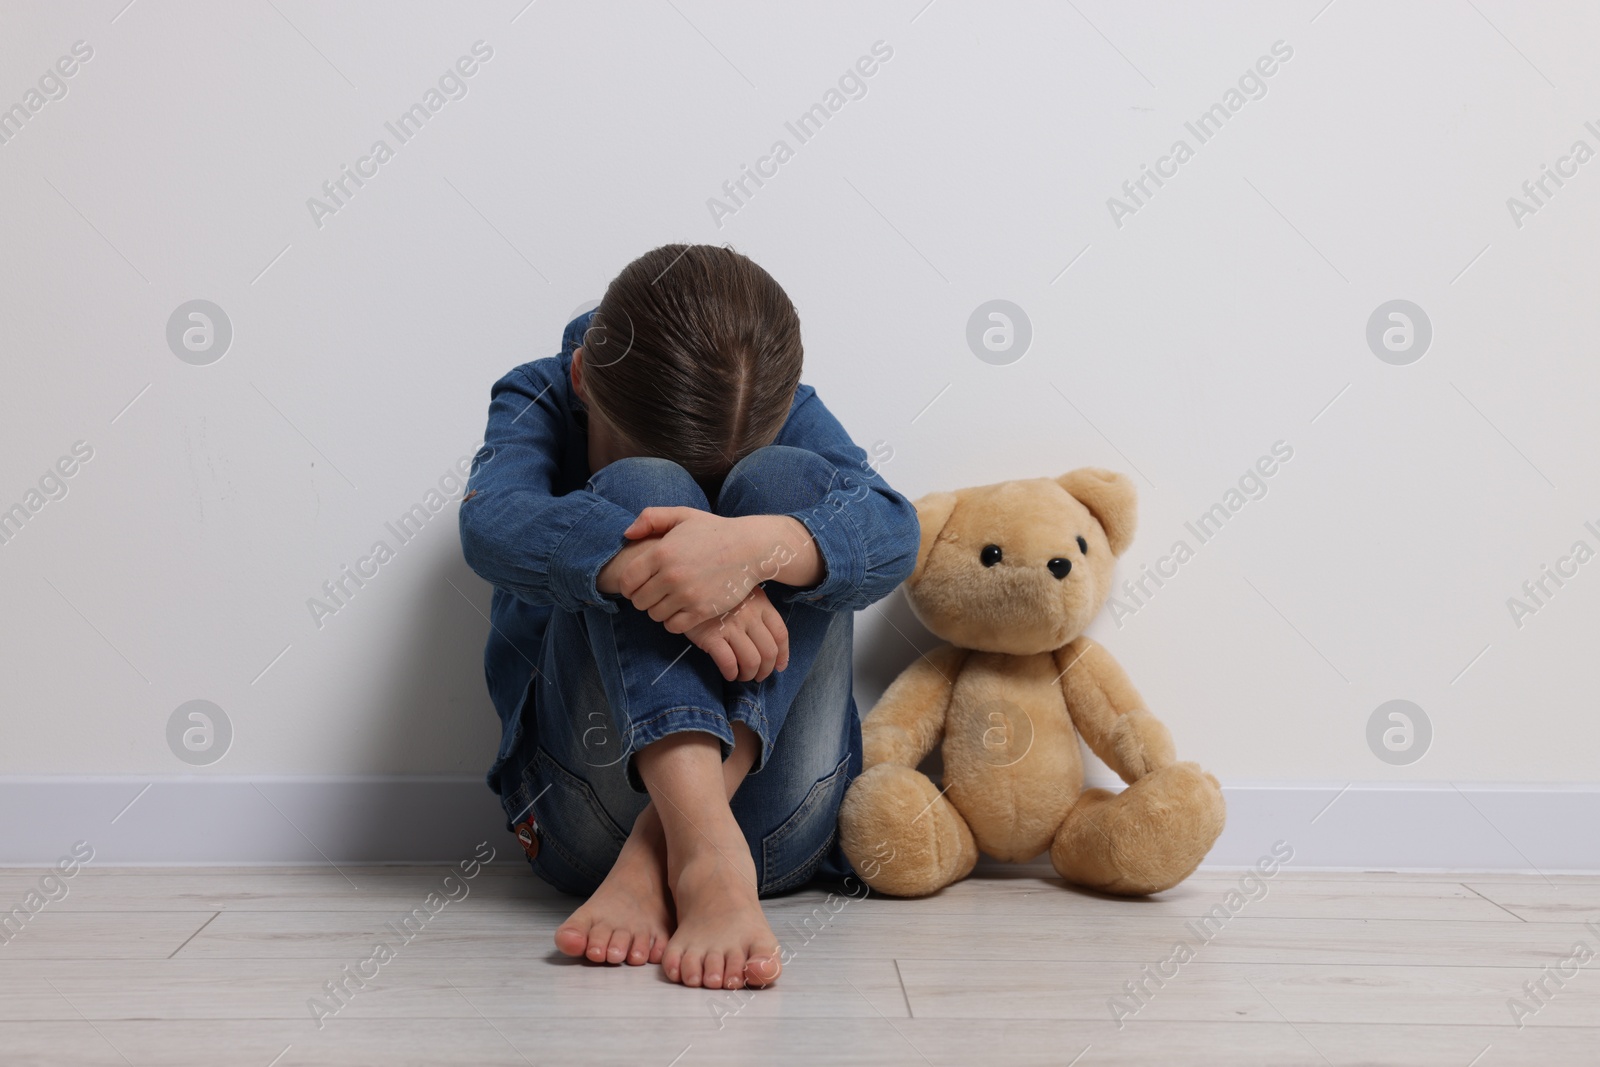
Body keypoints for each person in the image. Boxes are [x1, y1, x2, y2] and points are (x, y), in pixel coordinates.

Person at [458, 244, 919, 990]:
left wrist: (751, 548)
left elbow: (895, 529)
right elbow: (491, 524)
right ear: (582, 378)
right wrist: (656, 568)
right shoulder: (542, 391)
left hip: (778, 819)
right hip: (584, 819)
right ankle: (697, 843)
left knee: (798, 486)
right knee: (642, 486)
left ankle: (671, 849)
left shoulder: (782, 400)